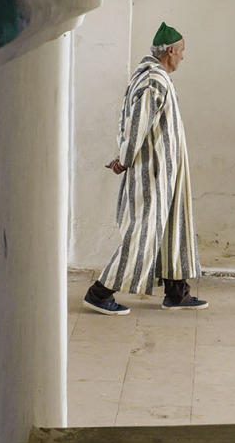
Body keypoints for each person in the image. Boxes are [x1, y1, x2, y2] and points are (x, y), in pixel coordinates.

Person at [83, 22, 208, 314]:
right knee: (143, 232)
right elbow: (137, 124)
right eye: (181, 51)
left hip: (167, 171)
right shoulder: (153, 80)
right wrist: (125, 159)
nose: (183, 57)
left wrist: (124, 155)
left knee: (171, 228)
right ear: (170, 51)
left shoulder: (153, 77)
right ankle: (99, 293)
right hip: (154, 171)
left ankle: (177, 293)